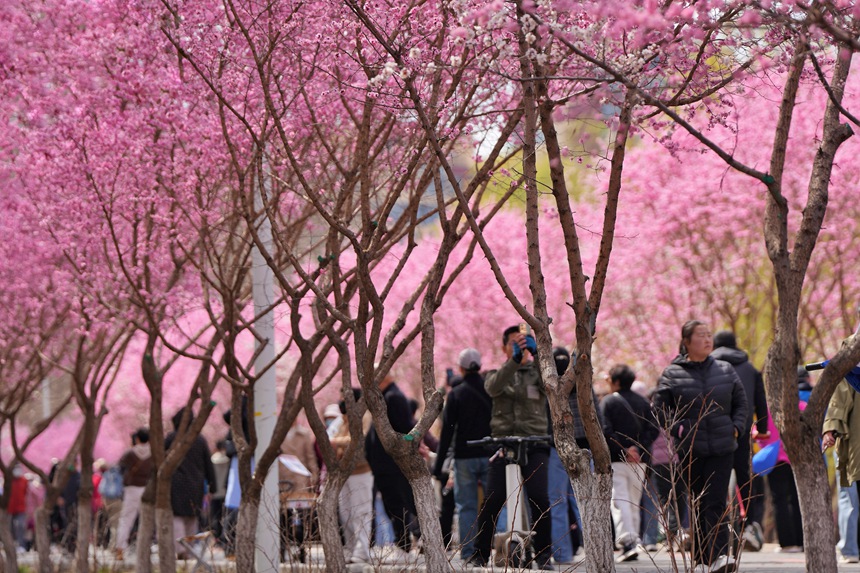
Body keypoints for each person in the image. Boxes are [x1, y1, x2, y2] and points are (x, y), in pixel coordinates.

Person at [652, 320, 748, 573]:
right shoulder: (672, 373)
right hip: (690, 449)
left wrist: (735, 428)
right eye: (701, 335)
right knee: (697, 501)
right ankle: (702, 559)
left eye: (709, 335)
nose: (707, 339)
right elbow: (659, 409)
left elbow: (741, 404)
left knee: (716, 501)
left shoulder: (726, 370)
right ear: (686, 341)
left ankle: (718, 557)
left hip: (722, 446)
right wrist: (679, 429)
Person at [470, 326, 553, 570]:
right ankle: (480, 553)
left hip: (535, 442)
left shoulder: (536, 373)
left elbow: (551, 384)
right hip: (504, 443)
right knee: (493, 499)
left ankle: (545, 554)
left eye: (524, 342)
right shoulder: (496, 374)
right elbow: (493, 388)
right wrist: (514, 361)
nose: (521, 347)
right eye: (515, 343)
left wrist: (538, 356)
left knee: (539, 497)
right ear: (504, 347)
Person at [711, 329, 769, 551]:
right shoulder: (750, 368)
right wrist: (761, 428)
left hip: (715, 429)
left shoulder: (708, 366)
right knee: (745, 476)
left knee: (716, 476)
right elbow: (760, 401)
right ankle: (749, 525)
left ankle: (717, 527)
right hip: (742, 429)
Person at [432, 348, 492, 562]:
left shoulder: (456, 394)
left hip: (463, 456)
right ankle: (499, 549)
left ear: (461, 368)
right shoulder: (490, 390)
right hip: (489, 454)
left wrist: (439, 466)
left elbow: (447, 432)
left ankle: (468, 552)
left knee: (466, 506)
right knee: (494, 503)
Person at [600, 364, 658, 563]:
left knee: (619, 500)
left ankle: (628, 542)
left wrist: (623, 449)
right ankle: (634, 540)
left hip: (617, 459)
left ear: (616, 381)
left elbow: (605, 430)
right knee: (634, 501)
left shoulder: (608, 402)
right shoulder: (643, 402)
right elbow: (653, 429)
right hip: (640, 460)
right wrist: (638, 449)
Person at [365, 369, 421, 558]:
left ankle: (404, 543)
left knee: (398, 504)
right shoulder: (386, 396)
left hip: (390, 463)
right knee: (394, 504)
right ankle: (404, 541)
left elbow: (404, 429)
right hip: (383, 464)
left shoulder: (394, 397)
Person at [547, 346, 593, 564]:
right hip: (585, 449)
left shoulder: (551, 389)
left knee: (558, 503)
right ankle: (594, 549)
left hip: (557, 449)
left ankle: (562, 553)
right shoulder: (584, 386)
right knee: (586, 502)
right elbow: (596, 418)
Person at [756, 367, 807, 553]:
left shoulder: (768, 411)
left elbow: (759, 434)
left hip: (775, 460)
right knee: (797, 500)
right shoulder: (801, 407)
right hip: (797, 460)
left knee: (779, 501)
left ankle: (787, 543)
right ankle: (802, 541)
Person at [330, 388, 373, 564]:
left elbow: (359, 439)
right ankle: (351, 548)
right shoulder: (342, 421)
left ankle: (362, 550)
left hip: (361, 471)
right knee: (345, 514)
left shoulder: (365, 417)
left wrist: (336, 442)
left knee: (361, 512)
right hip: (344, 473)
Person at [165, 409, 216, 558]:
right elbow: (208, 463)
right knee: (192, 518)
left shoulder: (171, 438)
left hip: (175, 484)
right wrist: (213, 485)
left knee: (177, 517)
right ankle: (189, 550)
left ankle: (181, 550)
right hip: (196, 484)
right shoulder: (199, 439)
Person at [822, 375, 860, 563]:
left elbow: (839, 401)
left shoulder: (851, 367)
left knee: (849, 496)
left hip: (854, 443)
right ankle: (850, 547)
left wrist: (830, 430)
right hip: (853, 442)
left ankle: (850, 548)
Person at [115, 427, 153, 559]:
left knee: (126, 519)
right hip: (147, 489)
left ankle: (120, 548)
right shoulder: (154, 453)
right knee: (147, 520)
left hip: (131, 489)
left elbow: (119, 468)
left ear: (137, 438)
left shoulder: (129, 453)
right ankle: (145, 548)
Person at [7, 465, 29, 550]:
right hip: (10, 508)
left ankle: (21, 545)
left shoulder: (24, 481)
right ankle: (11, 545)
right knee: (10, 527)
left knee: (20, 526)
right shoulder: (9, 480)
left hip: (21, 508)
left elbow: (26, 494)